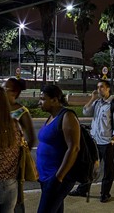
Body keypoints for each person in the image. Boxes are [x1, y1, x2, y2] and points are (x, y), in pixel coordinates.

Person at [68, 79, 114, 202]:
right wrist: (92, 98)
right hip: (94, 141)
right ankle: (83, 189)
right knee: (90, 166)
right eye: (98, 87)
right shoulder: (97, 103)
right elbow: (85, 112)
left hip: (107, 142)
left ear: (108, 88)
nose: (99, 90)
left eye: (102, 87)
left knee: (108, 169)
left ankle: (105, 193)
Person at [36, 85, 80, 213]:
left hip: (57, 178)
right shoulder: (51, 117)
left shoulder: (67, 117)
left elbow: (74, 148)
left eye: (43, 99)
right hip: (46, 177)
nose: (40, 102)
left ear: (55, 100)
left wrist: (58, 177)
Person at [3, 77, 36, 147]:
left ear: (14, 92)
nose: (2, 91)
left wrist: (22, 156)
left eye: (5, 89)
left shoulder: (22, 112)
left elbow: (31, 139)